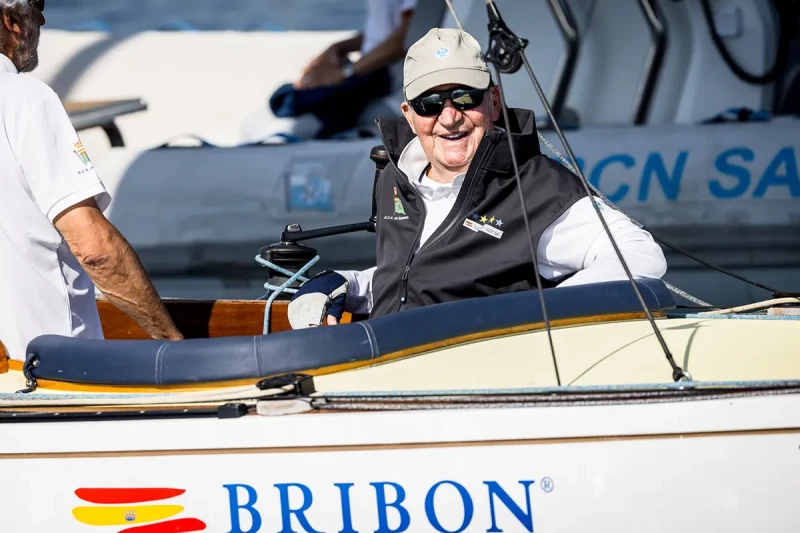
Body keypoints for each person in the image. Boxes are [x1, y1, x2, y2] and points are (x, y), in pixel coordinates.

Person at [287, 28, 667, 328]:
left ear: (494, 101)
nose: (449, 117)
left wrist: (533, 318)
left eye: (464, 98)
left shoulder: (537, 188)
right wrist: (345, 284)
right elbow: (416, 276)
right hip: (385, 373)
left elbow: (640, 255)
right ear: (409, 114)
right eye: (430, 104)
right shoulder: (396, 178)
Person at [0, 0, 183, 361]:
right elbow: (96, 251)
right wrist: (174, 345)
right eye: (37, 6)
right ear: (12, 22)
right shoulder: (26, 98)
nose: (43, 18)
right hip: (48, 370)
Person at [268, 0, 417, 139]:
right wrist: (339, 47)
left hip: (392, 95)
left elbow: (409, 35)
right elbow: (383, 30)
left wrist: (345, 74)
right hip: (369, 80)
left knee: (297, 128)